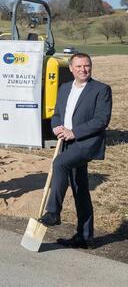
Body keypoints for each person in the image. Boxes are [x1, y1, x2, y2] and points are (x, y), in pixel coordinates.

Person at [38, 53, 112, 249]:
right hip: (67, 142)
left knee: (59, 163)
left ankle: (53, 212)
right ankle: (85, 236)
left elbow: (101, 120)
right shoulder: (64, 88)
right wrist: (56, 126)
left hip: (86, 143)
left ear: (91, 67)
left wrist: (74, 132)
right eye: (79, 66)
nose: (83, 69)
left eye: (87, 66)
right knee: (80, 188)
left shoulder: (101, 89)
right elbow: (57, 113)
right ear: (71, 68)